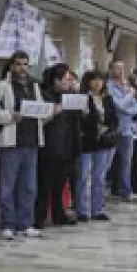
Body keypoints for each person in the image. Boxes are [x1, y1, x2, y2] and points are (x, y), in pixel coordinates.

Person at [0, 51, 58, 240]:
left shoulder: (35, 85)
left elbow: (41, 109)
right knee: (8, 187)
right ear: (12, 66)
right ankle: (7, 224)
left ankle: (25, 223)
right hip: (11, 142)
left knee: (29, 186)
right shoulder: (3, 86)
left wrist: (48, 112)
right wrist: (10, 116)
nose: (22, 68)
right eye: (18, 64)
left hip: (31, 141)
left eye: (25, 64)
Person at [35, 64, 82, 228]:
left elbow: (76, 121)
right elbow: (41, 119)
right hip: (50, 147)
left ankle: (58, 214)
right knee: (44, 184)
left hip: (67, 146)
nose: (69, 83)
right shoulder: (45, 95)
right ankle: (39, 216)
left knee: (60, 184)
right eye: (66, 79)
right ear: (56, 80)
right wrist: (53, 111)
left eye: (70, 80)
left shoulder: (71, 96)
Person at [77, 70, 118, 222]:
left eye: (100, 80)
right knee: (82, 176)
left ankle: (97, 209)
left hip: (103, 141)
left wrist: (109, 128)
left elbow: (114, 119)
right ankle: (81, 210)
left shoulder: (107, 99)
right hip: (87, 141)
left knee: (99, 177)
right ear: (88, 82)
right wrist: (89, 119)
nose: (97, 83)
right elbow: (81, 121)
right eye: (94, 80)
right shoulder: (82, 98)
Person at [107, 60, 137, 203]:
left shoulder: (126, 86)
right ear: (111, 70)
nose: (120, 71)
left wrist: (128, 102)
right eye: (117, 68)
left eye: (122, 68)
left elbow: (136, 108)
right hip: (114, 130)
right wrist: (130, 96)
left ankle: (126, 191)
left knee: (127, 162)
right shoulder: (109, 87)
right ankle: (105, 190)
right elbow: (119, 105)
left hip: (128, 129)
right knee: (108, 163)